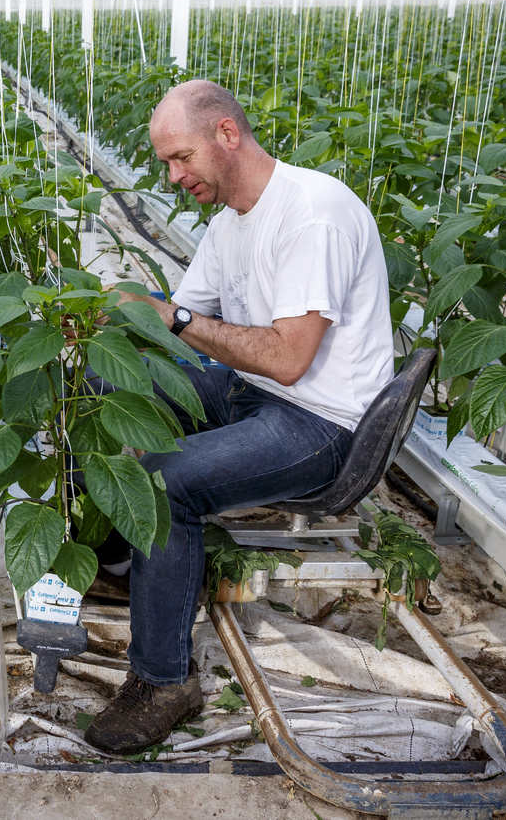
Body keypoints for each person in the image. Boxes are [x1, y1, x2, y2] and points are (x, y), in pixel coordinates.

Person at [82, 79, 394, 754]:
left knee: (167, 482)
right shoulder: (231, 223)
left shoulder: (313, 213)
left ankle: (163, 679)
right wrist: (109, 322)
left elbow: (286, 359)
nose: (172, 176)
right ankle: (121, 553)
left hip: (321, 423)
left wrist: (179, 318)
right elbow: (176, 332)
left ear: (227, 133)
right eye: (166, 162)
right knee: (105, 377)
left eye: (180, 157)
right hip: (252, 390)